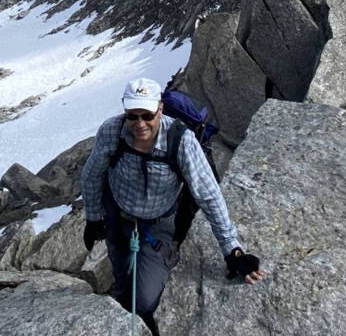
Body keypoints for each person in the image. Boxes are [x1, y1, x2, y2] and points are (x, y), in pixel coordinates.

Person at [80, 77, 265, 335]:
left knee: (144, 302)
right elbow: (91, 174)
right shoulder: (112, 131)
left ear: (160, 109)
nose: (139, 124)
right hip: (116, 215)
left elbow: (209, 195)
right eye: (132, 116)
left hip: (156, 226)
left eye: (147, 114)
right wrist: (93, 218)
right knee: (121, 280)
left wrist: (232, 250)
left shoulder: (181, 141)